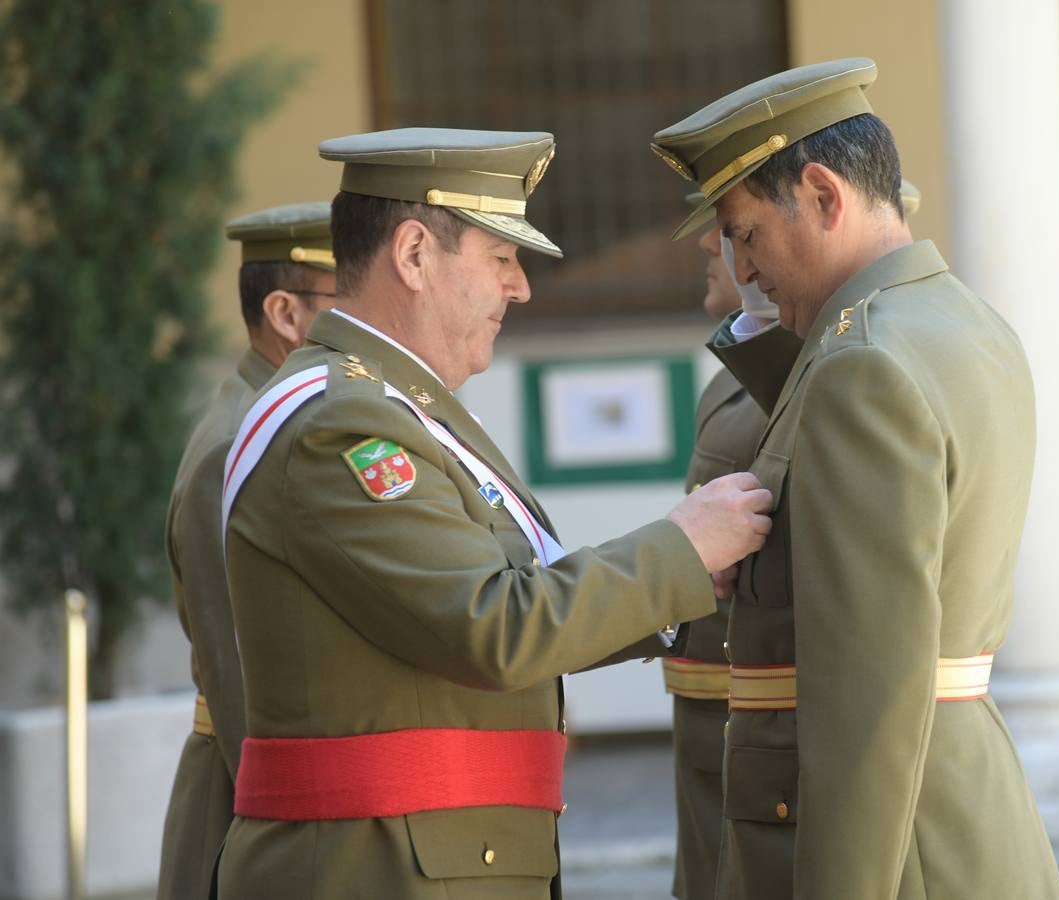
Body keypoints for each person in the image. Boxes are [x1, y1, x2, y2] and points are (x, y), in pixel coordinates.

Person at [213, 128, 773, 900]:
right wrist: (680, 547)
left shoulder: (395, 406)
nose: (521, 289)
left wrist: (689, 581)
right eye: (502, 259)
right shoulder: (343, 424)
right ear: (412, 255)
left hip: (429, 859)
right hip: (379, 870)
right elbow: (493, 626)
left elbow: (518, 587)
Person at [652, 59, 1059, 899]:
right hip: (951, 809)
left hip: (894, 847)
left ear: (823, 195)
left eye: (745, 232)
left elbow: (868, 698)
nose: (742, 266)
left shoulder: (860, 366)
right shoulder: (963, 323)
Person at [667, 180, 920, 900]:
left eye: (739, 232)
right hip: (713, 716)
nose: (712, 250)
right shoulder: (733, 379)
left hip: (774, 733)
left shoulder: (844, 366)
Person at [156, 202, 336, 900]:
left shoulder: (284, 418)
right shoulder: (238, 445)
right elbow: (239, 672)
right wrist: (293, 827)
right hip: (247, 815)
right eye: (346, 300)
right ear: (288, 316)